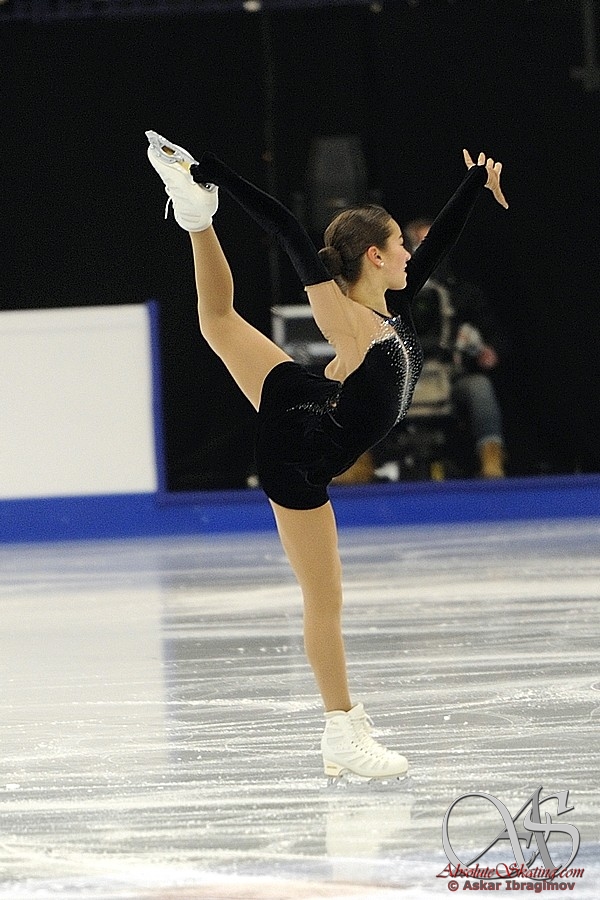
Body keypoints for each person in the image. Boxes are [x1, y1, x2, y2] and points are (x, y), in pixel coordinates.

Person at [146, 131, 508, 780]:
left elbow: (440, 242)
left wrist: (475, 185)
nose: (411, 253)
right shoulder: (348, 322)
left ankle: (196, 219)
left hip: (306, 398)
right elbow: (287, 227)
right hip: (299, 453)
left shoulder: (395, 302)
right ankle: (341, 729)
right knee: (324, 596)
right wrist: (214, 168)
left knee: (219, 322)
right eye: (400, 245)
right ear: (374, 255)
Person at [403, 217, 507, 477]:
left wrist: (485, 350)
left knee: (480, 388)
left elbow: (494, 336)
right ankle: (356, 464)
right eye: (422, 244)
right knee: (364, 390)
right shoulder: (389, 295)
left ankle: (492, 460)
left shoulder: (463, 295)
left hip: (449, 375)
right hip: (401, 378)